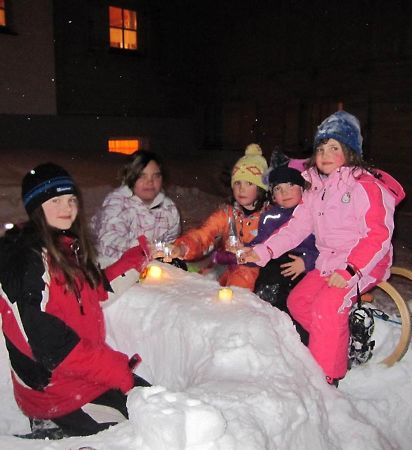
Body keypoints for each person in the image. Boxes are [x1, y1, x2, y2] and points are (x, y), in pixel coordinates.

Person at [241, 111, 405, 386]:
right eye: (320, 148)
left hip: (363, 263)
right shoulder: (317, 188)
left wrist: (351, 269)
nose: (325, 154)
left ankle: (325, 380)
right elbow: (296, 228)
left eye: (334, 148)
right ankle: (341, 342)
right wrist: (262, 251)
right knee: (299, 302)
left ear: (350, 152)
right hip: (330, 262)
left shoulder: (365, 187)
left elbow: (378, 236)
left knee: (327, 308)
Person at [0, 163, 152, 439]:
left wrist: (135, 260)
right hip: (53, 389)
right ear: (37, 207)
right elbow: (48, 347)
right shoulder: (27, 260)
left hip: (83, 375)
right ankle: (50, 425)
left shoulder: (64, 247)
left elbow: (93, 292)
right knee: (137, 431)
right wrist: (113, 368)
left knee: (155, 404)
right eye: (55, 200)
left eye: (71, 200)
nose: (67, 208)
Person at [170, 143, 269, 290]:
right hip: (226, 268)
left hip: (258, 274)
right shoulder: (227, 214)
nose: (241, 189)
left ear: (260, 188)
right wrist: (183, 247)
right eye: (237, 183)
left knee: (241, 280)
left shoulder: (270, 216)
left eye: (249, 183)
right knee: (194, 285)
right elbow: (203, 235)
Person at [252, 151, 318, 331]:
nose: (285, 192)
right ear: (273, 195)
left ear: (303, 188)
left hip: (300, 268)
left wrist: (307, 262)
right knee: (268, 282)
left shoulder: (310, 214)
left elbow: (322, 246)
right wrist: (244, 252)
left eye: (290, 185)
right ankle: (267, 316)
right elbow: (260, 243)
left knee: (295, 302)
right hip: (274, 268)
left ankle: (295, 331)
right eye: (278, 188)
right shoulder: (269, 216)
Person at [91, 150, 181, 265]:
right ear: (131, 178)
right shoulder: (117, 203)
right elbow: (109, 242)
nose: (150, 182)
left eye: (156, 176)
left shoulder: (168, 208)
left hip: (151, 268)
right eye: (142, 176)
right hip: (113, 267)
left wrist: (170, 251)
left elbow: (171, 241)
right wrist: (144, 249)